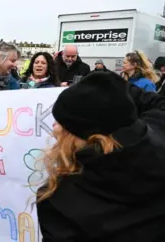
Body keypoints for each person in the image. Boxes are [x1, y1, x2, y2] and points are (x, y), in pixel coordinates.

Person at [37, 71, 165, 242]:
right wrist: (113, 87)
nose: (54, 126)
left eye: (61, 122)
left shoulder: (61, 198)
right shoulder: (158, 136)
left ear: (77, 134)